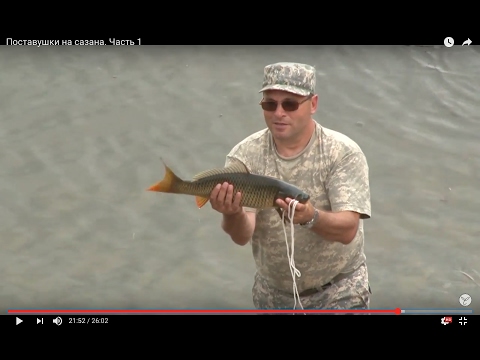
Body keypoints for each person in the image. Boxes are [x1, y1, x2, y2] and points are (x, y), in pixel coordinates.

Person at [209, 62, 372, 312]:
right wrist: (231, 213)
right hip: (273, 295)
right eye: (270, 104)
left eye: (290, 104)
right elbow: (241, 235)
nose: (279, 113)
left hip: (339, 291)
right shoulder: (244, 156)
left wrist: (311, 217)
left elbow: (348, 230)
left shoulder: (342, 153)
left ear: (313, 104)